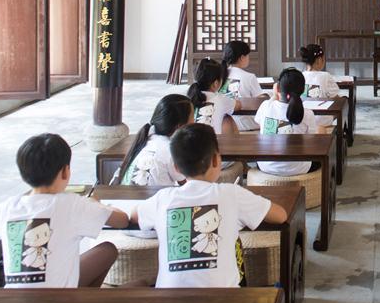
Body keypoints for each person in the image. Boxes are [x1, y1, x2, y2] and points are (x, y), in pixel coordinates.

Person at [130, 124, 287, 287]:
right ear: (216, 159)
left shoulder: (163, 198)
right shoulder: (231, 193)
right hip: (226, 301)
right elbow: (280, 216)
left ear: (176, 167)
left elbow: (134, 215)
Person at [0, 134, 129, 288]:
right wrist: (96, 204)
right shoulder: (74, 205)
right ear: (65, 172)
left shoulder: (8, 208)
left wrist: (1, 209)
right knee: (108, 250)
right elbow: (122, 219)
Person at [254, 68, 327, 176]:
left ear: (278, 88)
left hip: (266, 165)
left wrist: (274, 95)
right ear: (302, 90)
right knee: (321, 130)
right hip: (298, 168)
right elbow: (311, 143)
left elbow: (259, 123)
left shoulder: (266, 106)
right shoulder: (307, 114)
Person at [114, 94, 193, 187]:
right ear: (179, 126)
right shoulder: (171, 149)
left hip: (124, 198)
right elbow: (187, 184)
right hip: (148, 200)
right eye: (192, 117)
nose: (194, 121)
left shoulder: (146, 140)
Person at [220, 41, 266, 131]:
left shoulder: (219, 75)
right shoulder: (249, 77)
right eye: (248, 55)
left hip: (224, 124)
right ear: (242, 57)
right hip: (245, 124)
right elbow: (260, 100)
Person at [188, 58, 238, 137]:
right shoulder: (220, 99)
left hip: (186, 144)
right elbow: (238, 106)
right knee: (227, 119)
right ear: (216, 83)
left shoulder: (188, 97)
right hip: (211, 145)